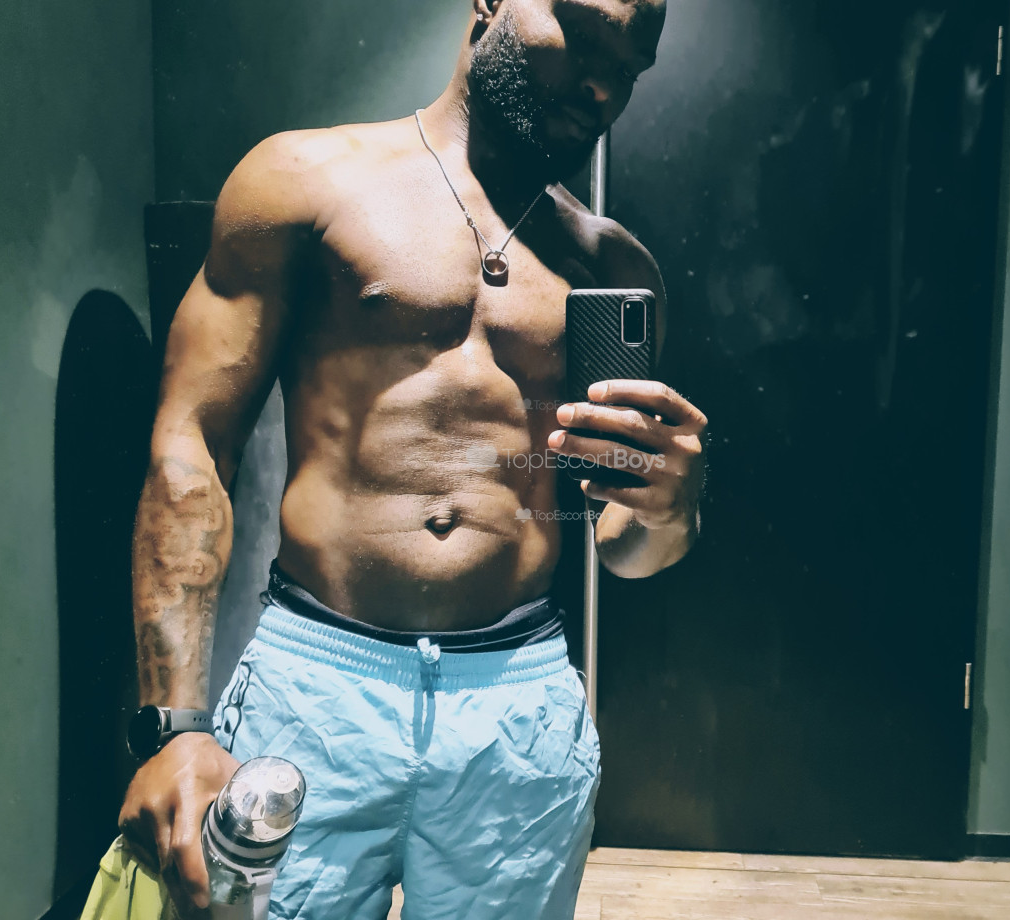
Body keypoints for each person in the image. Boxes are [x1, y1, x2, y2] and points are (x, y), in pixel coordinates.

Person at [117, 0, 706, 917]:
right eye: (584, 39)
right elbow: (192, 446)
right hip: (315, 687)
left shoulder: (610, 268)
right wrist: (174, 727)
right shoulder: (303, 184)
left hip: (515, 707)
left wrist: (670, 511)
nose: (602, 88)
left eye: (629, 69)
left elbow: (625, 550)